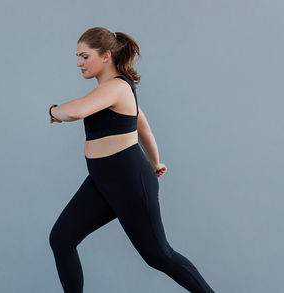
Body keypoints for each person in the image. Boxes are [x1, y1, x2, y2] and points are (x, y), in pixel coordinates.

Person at [47, 27, 215, 293]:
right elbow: (144, 129)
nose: (79, 63)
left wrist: (53, 110)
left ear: (106, 55)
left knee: (159, 256)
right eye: (78, 57)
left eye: (84, 56)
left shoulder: (117, 88)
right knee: (61, 238)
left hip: (128, 182)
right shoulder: (107, 91)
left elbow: (76, 110)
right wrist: (156, 162)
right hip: (102, 180)